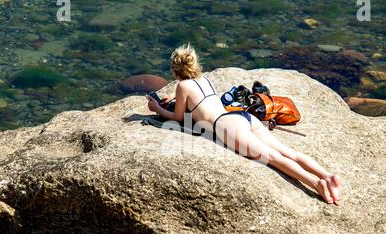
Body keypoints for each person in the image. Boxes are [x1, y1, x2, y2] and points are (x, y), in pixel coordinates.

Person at [146, 43, 341, 205]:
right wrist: (175, 96)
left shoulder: (182, 86)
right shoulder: (205, 80)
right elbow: (197, 97)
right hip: (242, 117)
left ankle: (316, 184)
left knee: (272, 158)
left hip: (226, 126)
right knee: (288, 152)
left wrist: (157, 109)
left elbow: (178, 117)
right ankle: (327, 176)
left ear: (174, 70)